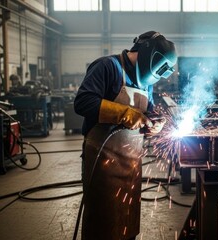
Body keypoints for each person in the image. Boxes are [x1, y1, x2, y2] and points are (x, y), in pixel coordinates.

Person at [74, 31, 177, 240]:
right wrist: (124, 113)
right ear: (149, 55)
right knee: (101, 226)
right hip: (101, 162)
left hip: (131, 165)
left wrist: (155, 124)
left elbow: (148, 112)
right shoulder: (107, 67)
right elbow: (82, 102)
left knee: (126, 223)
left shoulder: (146, 81)